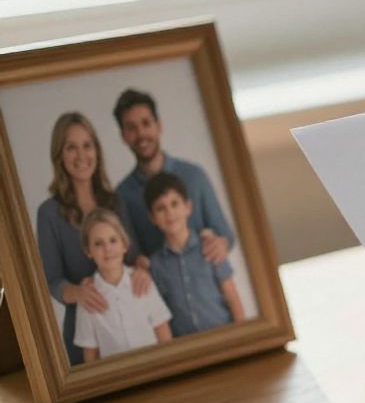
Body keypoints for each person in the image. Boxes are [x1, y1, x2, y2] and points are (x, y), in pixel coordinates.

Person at [35, 112, 152, 367]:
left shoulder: (115, 202)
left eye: (87, 145)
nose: (81, 155)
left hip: (130, 325)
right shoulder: (49, 213)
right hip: (85, 333)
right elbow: (51, 280)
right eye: (71, 148)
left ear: (96, 151)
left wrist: (143, 270)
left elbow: (135, 256)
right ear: (60, 156)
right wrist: (77, 292)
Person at [113, 88, 236, 265]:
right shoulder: (122, 196)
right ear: (123, 136)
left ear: (159, 126)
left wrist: (220, 243)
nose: (141, 134)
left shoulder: (194, 176)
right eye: (131, 128)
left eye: (146, 123)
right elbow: (132, 256)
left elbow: (225, 234)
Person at [144, 173, 247, 336]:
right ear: (152, 218)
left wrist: (243, 336)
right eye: (161, 208)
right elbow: (161, 315)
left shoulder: (210, 247)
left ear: (188, 207)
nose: (169, 212)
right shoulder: (156, 265)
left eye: (174, 204)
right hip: (188, 345)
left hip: (226, 335)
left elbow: (232, 297)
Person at [73, 209, 174, 363]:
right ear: (88, 251)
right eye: (98, 243)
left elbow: (163, 332)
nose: (107, 249)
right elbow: (91, 355)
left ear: (124, 244)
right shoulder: (87, 297)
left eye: (113, 240)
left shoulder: (143, 281)